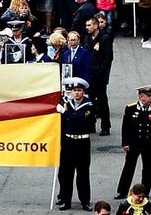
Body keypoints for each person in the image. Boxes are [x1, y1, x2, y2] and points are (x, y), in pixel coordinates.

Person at [56, 77, 96, 211]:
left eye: (79, 90)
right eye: (74, 90)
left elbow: (79, 119)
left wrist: (65, 112)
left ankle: (85, 201)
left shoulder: (89, 105)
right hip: (69, 142)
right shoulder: (67, 103)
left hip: (82, 142)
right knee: (67, 173)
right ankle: (66, 201)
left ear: (83, 92)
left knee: (83, 173)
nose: (77, 93)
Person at [116, 86, 151, 200]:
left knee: (147, 169)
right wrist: (125, 143)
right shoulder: (131, 108)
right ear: (141, 97)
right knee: (129, 167)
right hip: (134, 144)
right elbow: (125, 127)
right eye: (148, 96)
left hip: (148, 144)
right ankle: (122, 191)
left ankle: (145, 191)